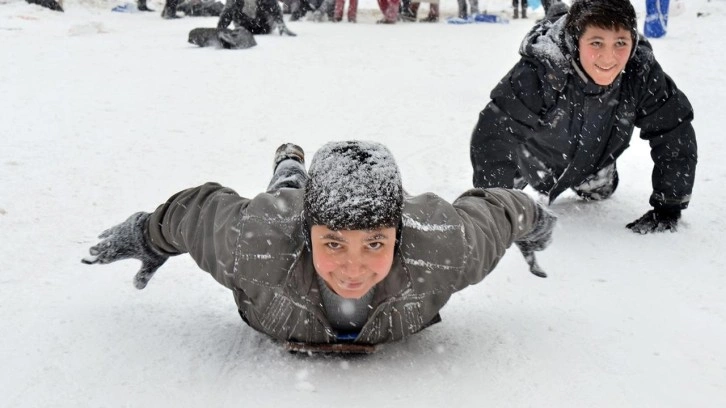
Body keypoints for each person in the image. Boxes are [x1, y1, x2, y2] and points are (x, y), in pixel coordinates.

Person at [82, 141, 556, 346]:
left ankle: (298, 182)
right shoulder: (255, 241)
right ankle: (291, 168)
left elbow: (500, 212)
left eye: (375, 243)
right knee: (284, 192)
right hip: (288, 212)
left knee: (290, 199)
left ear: (399, 231)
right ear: (308, 236)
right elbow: (194, 213)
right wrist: (148, 236)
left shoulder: (444, 247)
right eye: (332, 244)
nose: (353, 268)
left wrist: (538, 225)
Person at [469, 0, 697, 234]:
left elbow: (673, 128)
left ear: (633, 40)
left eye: (620, 43)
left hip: (594, 160)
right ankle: (556, 11)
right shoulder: (541, 71)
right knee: (510, 185)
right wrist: (495, 206)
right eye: (596, 42)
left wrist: (669, 205)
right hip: (531, 158)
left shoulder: (641, 71)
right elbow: (495, 132)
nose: (609, 58)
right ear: (576, 40)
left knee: (601, 192)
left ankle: (591, 176)